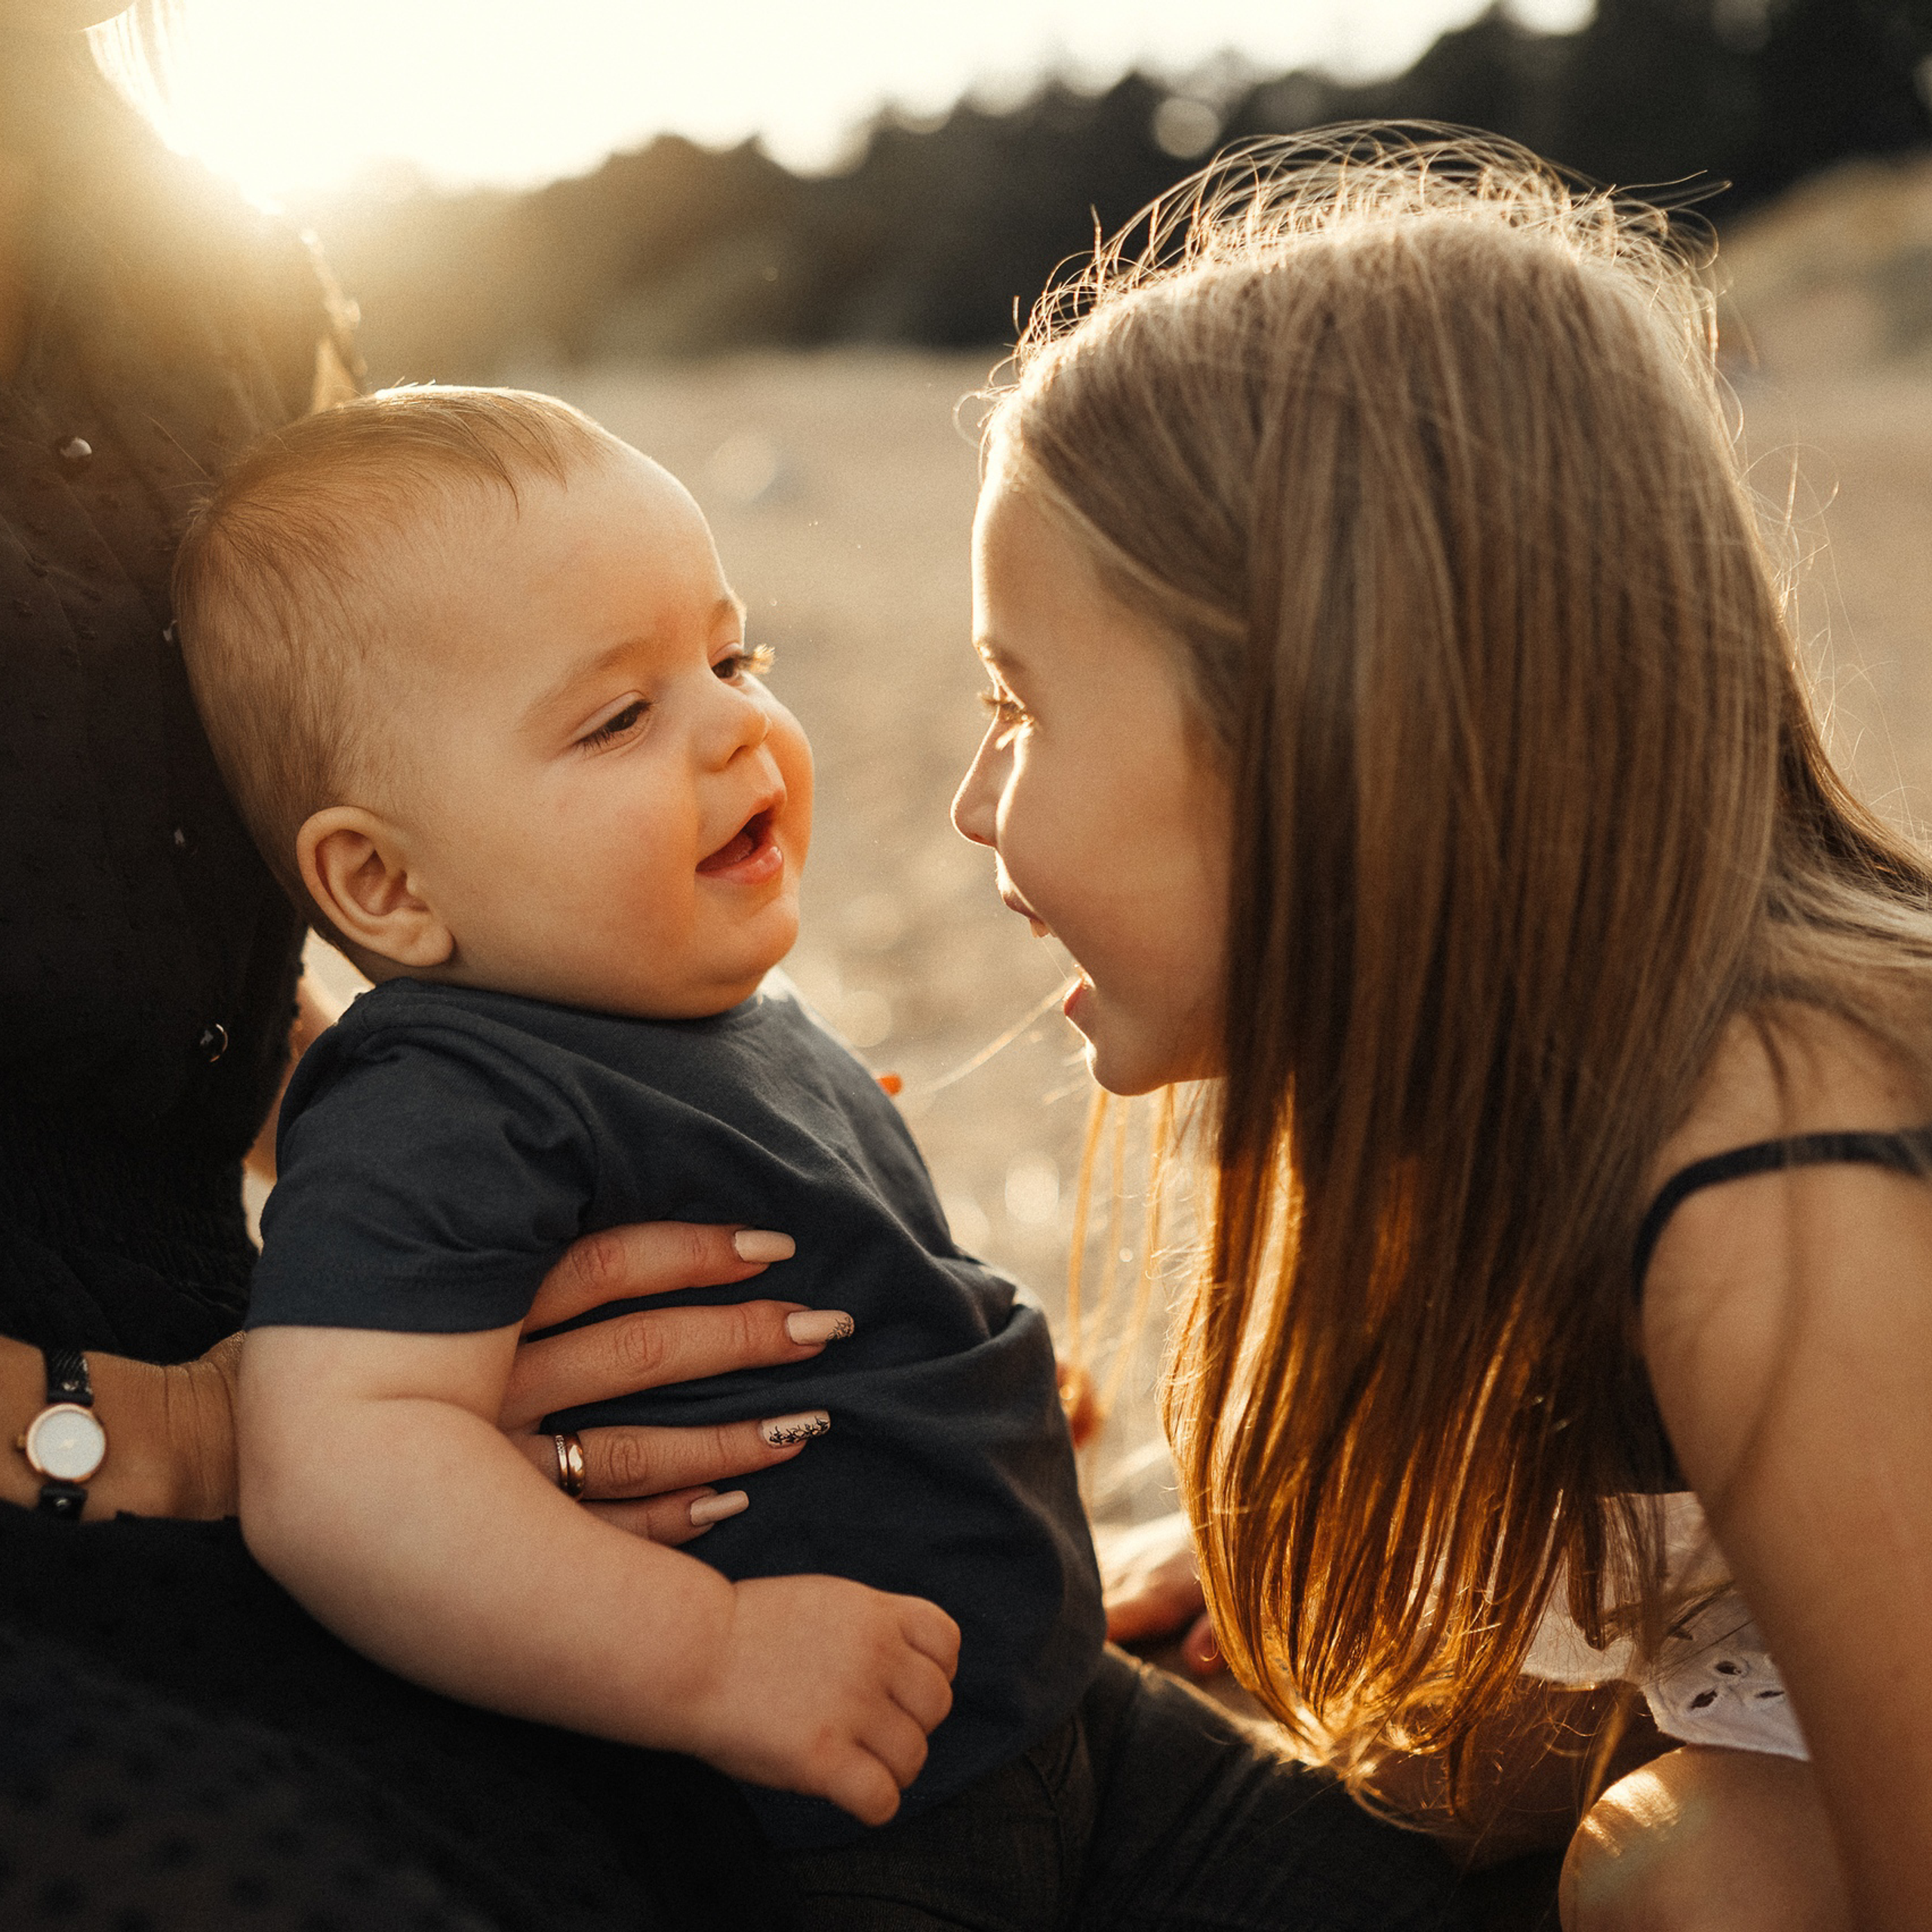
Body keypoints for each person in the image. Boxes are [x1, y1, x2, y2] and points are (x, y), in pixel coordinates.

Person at [172, 382, 1471, 1932]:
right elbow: (337, 1473)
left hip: (1068, 1713)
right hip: (833, 1819)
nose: (735, 724)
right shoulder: (444, 1098)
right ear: (383, 882)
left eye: (732, 660)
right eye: (618, 715)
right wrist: (707, 1655)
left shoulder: (686, 996)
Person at [949, 130, 1930, 1932]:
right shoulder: (1543, 1099)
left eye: (1016, 702)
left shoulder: (1776, 1161)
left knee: (1684, 1879)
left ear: (1312, 730)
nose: (967, 800)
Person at [0, 7, 872, 1926]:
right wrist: (177, 1431)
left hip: (300, 1398)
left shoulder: (216, 271)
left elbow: (196, 919)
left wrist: (597, 1170)